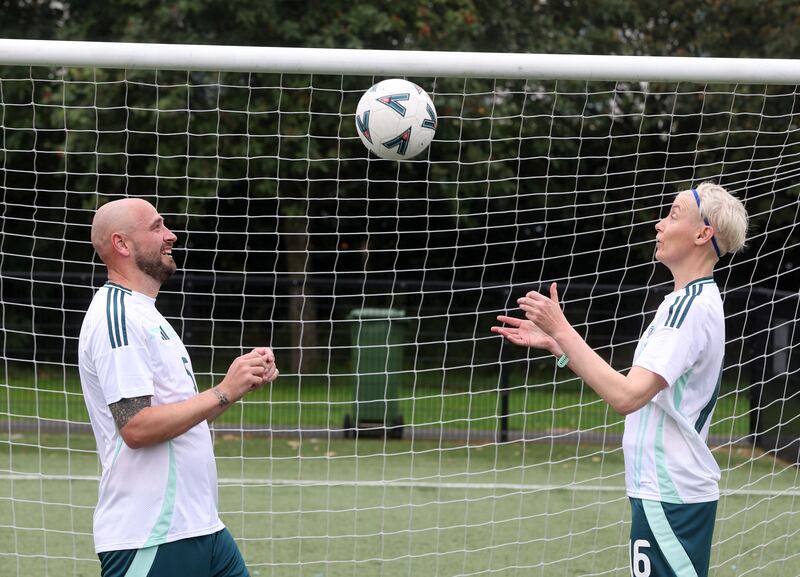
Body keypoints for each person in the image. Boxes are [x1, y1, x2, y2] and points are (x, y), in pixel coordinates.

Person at [491, 182, 748, 577]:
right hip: (663, 492)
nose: (659, 225)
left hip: (672, 494)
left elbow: (627, 396)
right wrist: (560, 347)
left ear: (702, 234)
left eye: (673, 215)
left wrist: (563, 329)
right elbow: (629, 386)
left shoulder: (689, 310)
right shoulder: (683, 303)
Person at [78, 197, 278, 577]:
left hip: (203, 528)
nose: (171, 235)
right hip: (151, 536)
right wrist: (223, 390)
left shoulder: (146, 314)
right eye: (156, 227)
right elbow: (136, 427)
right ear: (121, 244)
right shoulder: (115, 317)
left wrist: (240, 380)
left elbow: (183, 416)